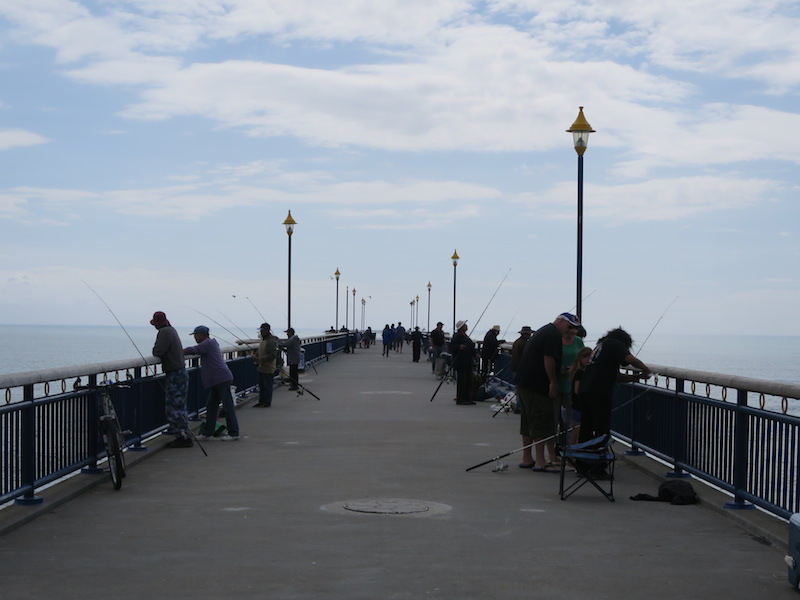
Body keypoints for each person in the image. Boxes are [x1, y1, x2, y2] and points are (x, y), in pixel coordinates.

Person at [516, 312, 580, 470]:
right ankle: (540, 461)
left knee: (528, 421)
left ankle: (527, 458)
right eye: (569, 326)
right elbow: (549, 359)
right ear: (560, 321)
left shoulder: (544, 331)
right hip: (538, 385)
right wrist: (553, 382)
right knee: (541, 421)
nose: (571, 330)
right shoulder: (553, 335)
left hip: (525, 383)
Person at [577, 327, 652, 444]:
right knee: (602, 426)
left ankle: (584, 452)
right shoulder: (615, 343)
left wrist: (638, 376)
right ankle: (600, 451)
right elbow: (631, 360)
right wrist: (646, 370)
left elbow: (619, 377)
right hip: (599, 392)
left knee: (587, 425)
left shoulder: (601, 347)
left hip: (585, 390)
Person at [183, 325, 240, 441]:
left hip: (221, 378)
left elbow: (193, 350)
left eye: (196, 335)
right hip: (216, 380)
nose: (195, 337)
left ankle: (233, 433)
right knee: (211, 405)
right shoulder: (211, 343)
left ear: (203, 335)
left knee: (227, 406)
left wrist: (178, 351)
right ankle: (208, 432)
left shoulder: (208, 343)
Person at [150, 311, 192, 448]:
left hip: (175, 374)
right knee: (180, 405)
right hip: (180, 372)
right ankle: (184, 433)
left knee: (174, 406)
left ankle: (182, 436)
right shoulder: (171, 330)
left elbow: (158, 351)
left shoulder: (164, 332)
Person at [557, 326, 585, 441]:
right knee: (556, 418)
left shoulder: (578, 341)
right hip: (556, 383)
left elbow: (584, 358)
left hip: (572, 384)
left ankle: (569, 445)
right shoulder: (556, 340)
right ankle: (558, 444)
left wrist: (574, 368)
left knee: (572, 420)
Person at [567, 346, 593, 444]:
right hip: (578, 406)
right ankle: (573, 450)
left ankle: (573, 449)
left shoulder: (580, 371)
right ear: (581, 358)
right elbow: (576, 390)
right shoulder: (580, 373)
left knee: (577, 431)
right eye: (587, 358)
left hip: (578, 405)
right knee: (577, 431)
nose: (588, 361)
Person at [449, 320, 476, 405]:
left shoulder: (466, 337)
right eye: (465, 325)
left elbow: (471, 347)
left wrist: (476, 354)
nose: (466, 326)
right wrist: (459, 347)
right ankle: (460, 399)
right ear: (461, 328)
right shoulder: (456, 337)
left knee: (469, 381)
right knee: (462, 382)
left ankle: (468, 398)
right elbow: (451, 347)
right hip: (461, 362)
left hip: (468, 362)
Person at [253, 322, 279, 407]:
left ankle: (267, 402)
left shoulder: (270, 341)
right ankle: (261, 401)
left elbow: (273, 355)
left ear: (267, 330)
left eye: (262, 330)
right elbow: (260, 350)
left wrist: (260, 359)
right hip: (261, 367)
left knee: (267, 385)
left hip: (268, 367)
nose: (261, 332)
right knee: (261, 385)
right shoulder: (263, 340)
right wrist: (256, 355)